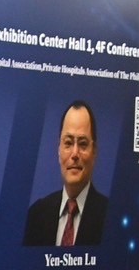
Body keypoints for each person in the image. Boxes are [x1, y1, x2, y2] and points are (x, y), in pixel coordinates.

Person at [23, 101, 107, 246]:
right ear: (59, 149)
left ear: (94, 151)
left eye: (82, 143)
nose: (74, 154)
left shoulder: (110, 217)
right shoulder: (36, 216)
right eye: (68, 143)